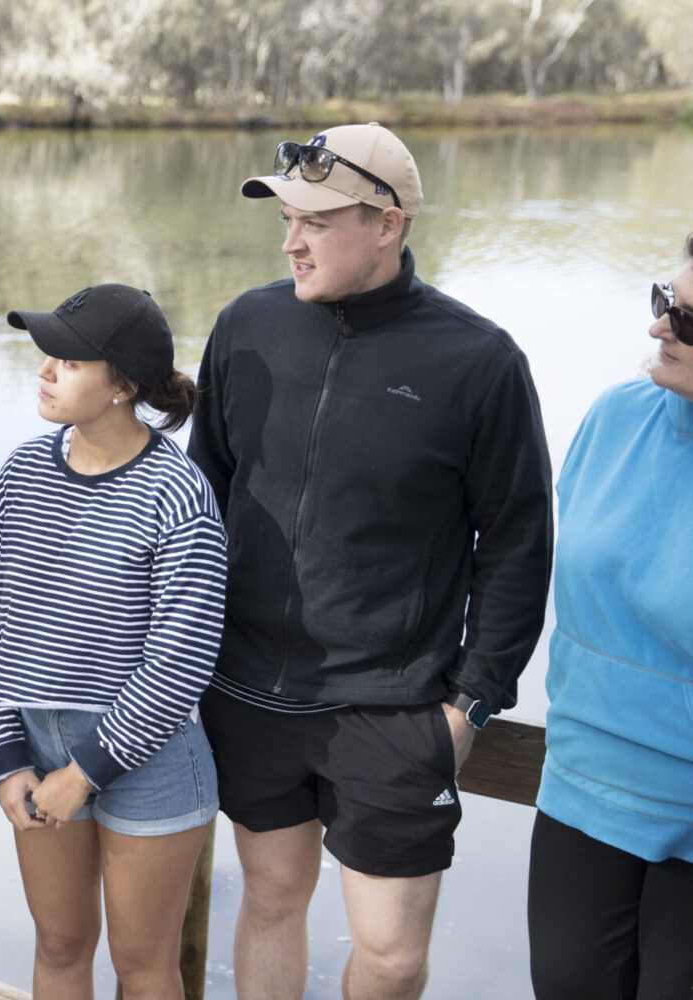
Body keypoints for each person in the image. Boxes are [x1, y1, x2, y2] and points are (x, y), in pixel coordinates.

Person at [186, 123, 553, 1000]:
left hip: (395, 711)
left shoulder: (479, 362)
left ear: (387, 224)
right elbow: (203, 497)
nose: (290, 240)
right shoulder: (246, 326)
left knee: (388, 951)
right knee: (271, 899)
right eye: (286, 218)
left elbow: (516, 546)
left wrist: (471, 705)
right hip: (250, 693)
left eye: (315, 221)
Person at [0, 284, 227, 999]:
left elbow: (181, 662)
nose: (47, 371)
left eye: (70, 360)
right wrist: (4, 756)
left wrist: (83, 773)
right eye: (47, 355)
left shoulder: (177, 493)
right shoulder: (19, 474)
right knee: (58, 944)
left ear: (123, 385)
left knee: (143, 967)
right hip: (33, 745)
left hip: (147, 757)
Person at [526, 235, 693, 999]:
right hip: (583, 780)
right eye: (665, 302)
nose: (659, 328)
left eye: (687, 322)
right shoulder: (618, 415)